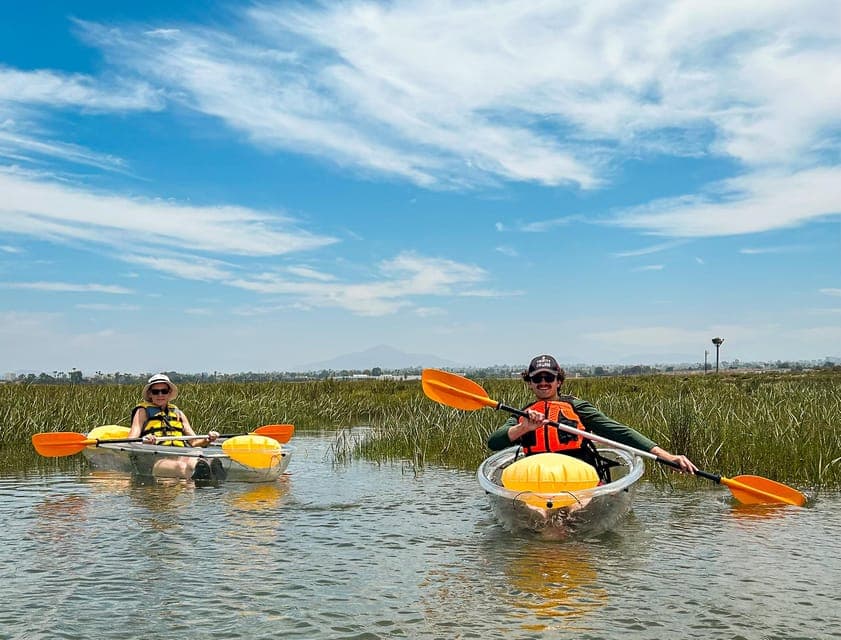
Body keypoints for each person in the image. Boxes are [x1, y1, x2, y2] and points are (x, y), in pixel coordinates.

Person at [486, 355, 697, 482]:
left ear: (559, 381)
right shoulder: (523, 414)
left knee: (563, 523)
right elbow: (494, 442)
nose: (543, 382)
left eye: (549, 377)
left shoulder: (577, 407)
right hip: (536, 478)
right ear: (529, 383)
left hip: (579, 476)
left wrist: (667, 456)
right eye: (537, 378)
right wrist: (524, 428)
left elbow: (618, 432)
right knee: (545, 522)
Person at [128, 373, 223, 481]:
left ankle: (210, 470)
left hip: (179, 454)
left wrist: (208, 439)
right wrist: (145, 442)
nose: (160, 395)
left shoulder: (178, 413)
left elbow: (194, 442)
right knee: (181, 467)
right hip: (154, 460)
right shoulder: (142, 411)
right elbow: (131, 440)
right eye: (156, 392)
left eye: (164, 391)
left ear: (169, 393)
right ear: (150, 394)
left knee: (197, 452)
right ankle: (202, 478)